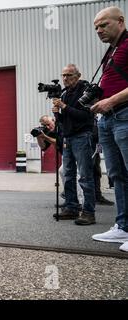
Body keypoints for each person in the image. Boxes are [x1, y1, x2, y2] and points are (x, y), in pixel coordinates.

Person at [90, 7, 128, 251]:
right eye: (96, 28)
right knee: (117, 175)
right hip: (108, 119)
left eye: (104, 25)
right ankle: (123, 226)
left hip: (124, 114)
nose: (99, 30)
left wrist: (112, 100)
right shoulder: (112, 51)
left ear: (120, 21)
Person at [52, 64, 96, 225]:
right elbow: (66, 120)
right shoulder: (64, 94)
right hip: (68, 137)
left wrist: (64, 107)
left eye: (69, 75)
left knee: (85, 175)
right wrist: (58, 115)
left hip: (82, 136)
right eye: (63, 75)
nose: (65, 78)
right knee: (68, 174)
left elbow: (85, 116)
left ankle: (89, 212)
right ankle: (71, 207)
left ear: (77, 76)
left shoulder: (85, 91)